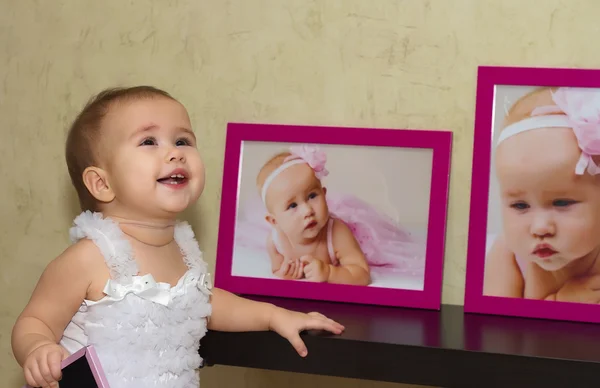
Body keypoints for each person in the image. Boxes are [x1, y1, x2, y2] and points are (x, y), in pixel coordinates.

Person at [10, 86, 344, 388]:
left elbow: (205, 303)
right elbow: (35, 320)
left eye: (182, 140)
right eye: (149, 142)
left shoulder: (182, 248)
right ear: (102, 184)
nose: (175, 152)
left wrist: (273, 315)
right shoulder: (90, 257)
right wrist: (39, 348)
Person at [235, 145, 426, 286]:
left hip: (361, 240)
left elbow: (361, 274)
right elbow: (276, 269)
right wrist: (284, 273)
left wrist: (330, 273)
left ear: (324, 194)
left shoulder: (337, 233)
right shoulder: (275, 241)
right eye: (292, 205)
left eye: (312, 196)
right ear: (274, 222)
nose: (307, 210)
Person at [484, 86, 600, 303]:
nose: (540, 228)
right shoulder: (508, 257)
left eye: (562, 202)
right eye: (520, 205)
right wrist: (559, 304)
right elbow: (497, 331)